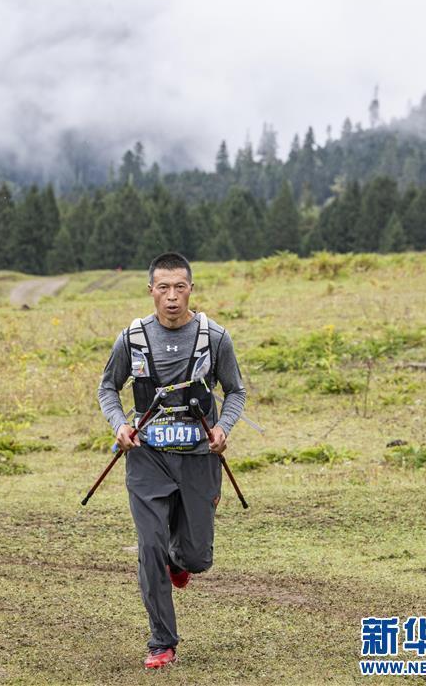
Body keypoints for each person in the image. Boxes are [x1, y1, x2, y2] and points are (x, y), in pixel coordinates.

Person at [97, 252, 246, 669]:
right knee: (149, 546)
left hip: (199, 459)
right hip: (147, 459)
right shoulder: (132, 337)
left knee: (197, 557)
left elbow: (235, 392)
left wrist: (223, 428)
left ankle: (178, 561)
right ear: (151, 292)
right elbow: (108, 388)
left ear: (191, 290)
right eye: (163, 287)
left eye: (180, 286)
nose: (172, 296)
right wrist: (119, 426)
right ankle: (161, 641)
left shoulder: (215, 338)